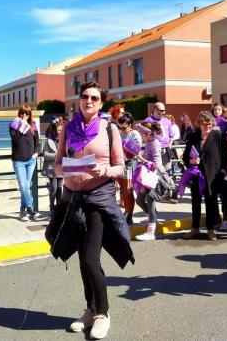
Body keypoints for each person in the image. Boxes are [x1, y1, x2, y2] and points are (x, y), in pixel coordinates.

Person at [48, 81, 133, 340]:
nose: (89, 101)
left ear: (101, 103)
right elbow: (58, 166)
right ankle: (90, 309)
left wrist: (104, 170)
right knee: (82, 259)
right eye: (85, 96)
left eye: (94, 98)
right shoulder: (69, 129)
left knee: (90, 259)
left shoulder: (110, 130)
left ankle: (103, 314)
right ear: (79, 99)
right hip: (72, 200)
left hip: (98, 199)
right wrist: (67, 168)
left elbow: (121, 167)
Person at [182, 111, 227, 241]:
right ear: (199, 124)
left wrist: (224, 170)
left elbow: (225, 155)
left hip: (212, 175)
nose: (207, 127)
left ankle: (210, 229)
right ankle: (195, 228)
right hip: (196, 174)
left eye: (209, 124)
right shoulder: (193, 136)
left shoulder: (218, 136)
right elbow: (185, 156)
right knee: (195, 202)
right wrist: (190, 161)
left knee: (211, 202)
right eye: (204, 124)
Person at [134, 121, 167, 241]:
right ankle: (151, 219)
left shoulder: (154, 144)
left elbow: (157, 164)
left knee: (150, 202)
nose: (141, 136)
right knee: (140, 200)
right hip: (147, 176)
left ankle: (151, 232)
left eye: (142, 134)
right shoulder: (149, 142)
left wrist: (142, 158)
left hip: (153, 177)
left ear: (147, 134)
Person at [10, 105, 41, 222]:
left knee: (26, 187)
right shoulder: (14, 125)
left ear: (29, 115)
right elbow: (15, 140)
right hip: (19, 161)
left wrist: (37, 153)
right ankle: (30, 209)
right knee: (24, 186)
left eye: (26, 114)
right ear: (19, 113)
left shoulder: (33, 125)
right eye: (22, 113)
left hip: (31, 161)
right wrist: (22, 126)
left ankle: (22, 212)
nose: (24, 116)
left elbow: (37, 143)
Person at [144, 101, 176, 199]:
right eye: (161, 111)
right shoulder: (148, 120)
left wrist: (169, 144)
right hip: (155, 149)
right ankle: (159, 193)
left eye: (164, 110)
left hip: (166, 149)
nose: (163, 112)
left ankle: (172, 192)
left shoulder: (166, 120)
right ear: (155, 110)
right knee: (157, 172)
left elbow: (171, 135)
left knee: (167, 171)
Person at [117, 112, 141, 225]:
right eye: (120, 128)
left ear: (130, 125)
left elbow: (136, 151)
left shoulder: (135, 134)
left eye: (124, 128)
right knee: (123, 189)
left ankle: (130, 215)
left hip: (130, 163)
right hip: (120, 163)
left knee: (128, 189)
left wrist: (124, 148)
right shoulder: (119, 134)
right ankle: (126, 211)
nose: (122, 130)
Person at [42, 122, 63, 213]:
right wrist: (56, 155)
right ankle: (52, 207)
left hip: (61, 167)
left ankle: (59, 207)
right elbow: (45, 154)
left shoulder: (64, 139)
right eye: (58, 130)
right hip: (51, 167)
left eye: (61, 130)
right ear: (54, 130)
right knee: (54, 188)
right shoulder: (49, 140)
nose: (60, 132)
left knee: (59, 188)